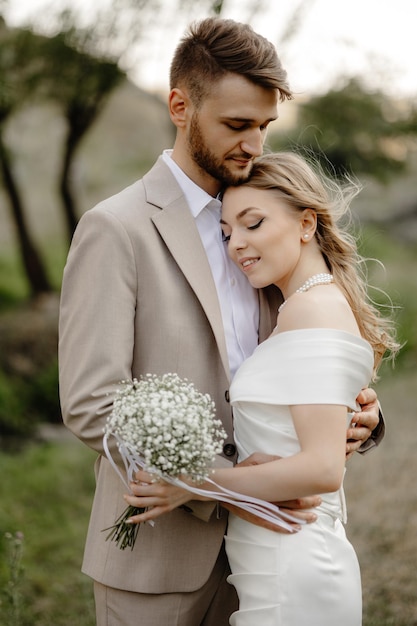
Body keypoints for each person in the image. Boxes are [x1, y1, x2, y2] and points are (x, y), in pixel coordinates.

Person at [58, 17, 383, 626]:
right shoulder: (116, 229)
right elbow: (92, 404)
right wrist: (221, 486)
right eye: (237, 125)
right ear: (180, 106)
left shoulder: (267, 221)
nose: (254, 145)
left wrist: (357, 409)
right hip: (159, 561)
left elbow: (309, 344)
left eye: (264, 127)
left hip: (268, 555)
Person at [127, 151, 398, 625]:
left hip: (292, 562)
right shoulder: (295, 307)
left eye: (253, 224)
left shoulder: (312, 309)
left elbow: (320, 469)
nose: (237, 246)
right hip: (270, 559)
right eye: (228, 233)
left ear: (307, 224)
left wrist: (191, 483)